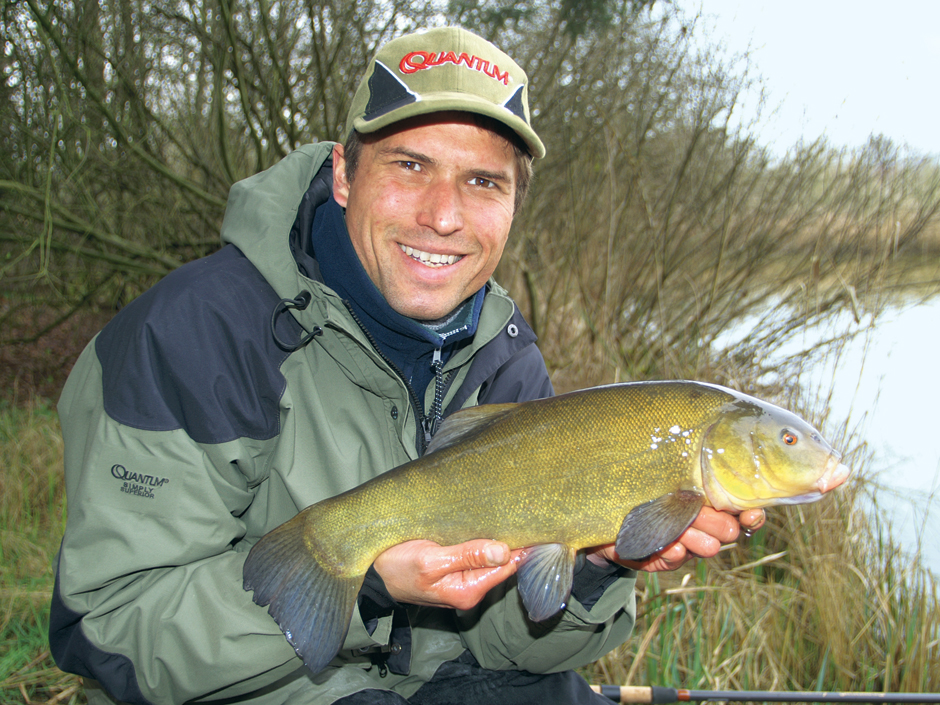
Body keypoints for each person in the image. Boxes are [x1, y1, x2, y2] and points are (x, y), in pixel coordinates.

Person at [49, 27, 764, 705]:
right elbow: (108, 625)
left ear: (514, 207)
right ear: (342, 174)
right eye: (410, 165)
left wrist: (598, 562)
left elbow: (510, 642)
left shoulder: (503, 356)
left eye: (483, 182)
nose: (443, 215)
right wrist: (367, 584)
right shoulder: (194, 335)